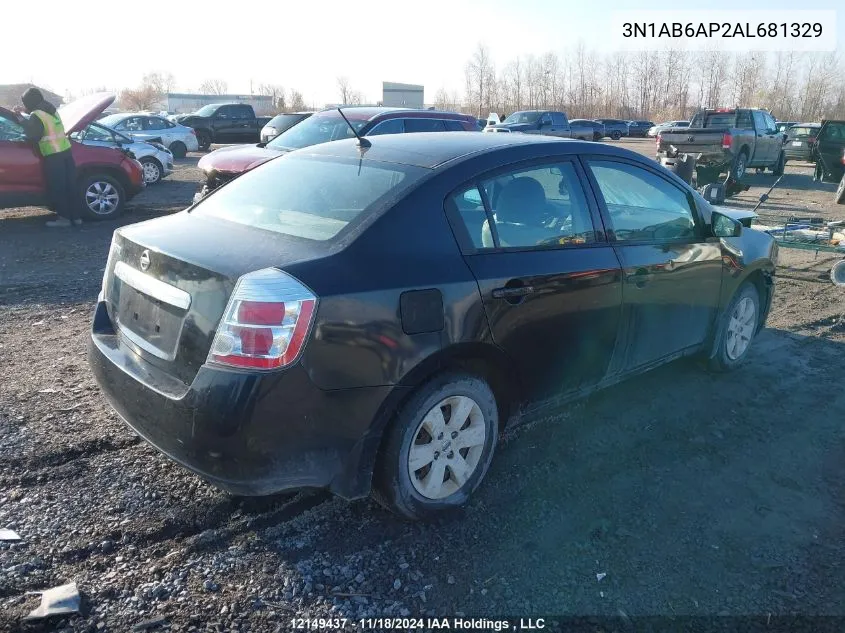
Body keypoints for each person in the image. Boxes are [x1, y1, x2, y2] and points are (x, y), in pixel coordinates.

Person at [14, 88, 80, 227]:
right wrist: (25, 112)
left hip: (53, 155)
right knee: (70, 186)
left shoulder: (36, 115)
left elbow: (33, 135)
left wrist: (20, 119)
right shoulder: (51, 109)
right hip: (66, 151)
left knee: (59, 187)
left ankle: (64, 219)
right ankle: (76, 217)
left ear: (29, 101)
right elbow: (41, 118)